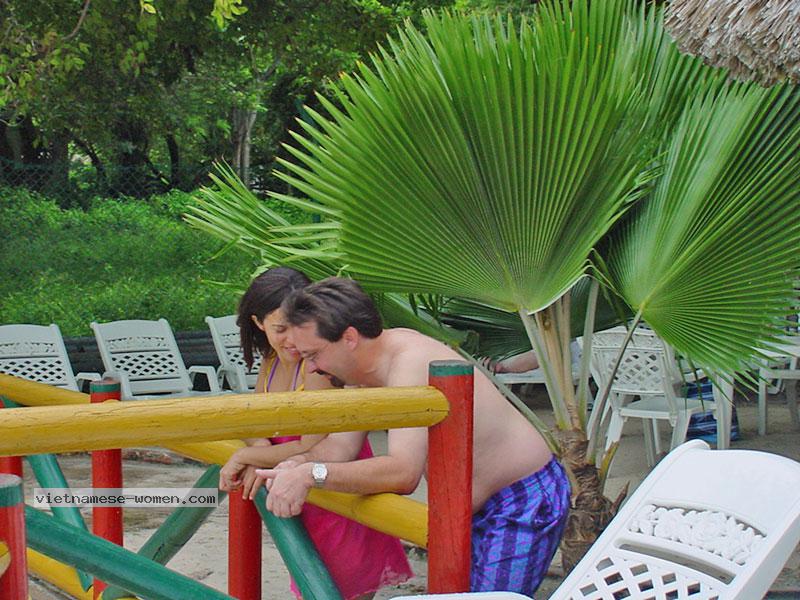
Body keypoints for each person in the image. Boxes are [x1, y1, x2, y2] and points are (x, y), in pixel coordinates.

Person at [256, 277, 570, 596]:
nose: (311, 368)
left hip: (521, 498)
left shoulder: (409, 363)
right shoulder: (362, 369)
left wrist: (312, 475)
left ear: (349, 337)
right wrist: (298, 464)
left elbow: (403, 472)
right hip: (466, 510)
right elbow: (340, 445)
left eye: (313, 355)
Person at [219, 267, 412, 600]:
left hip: (334, 494)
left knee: (333, 588)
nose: (291, 341)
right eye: (280, 329)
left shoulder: (317, 367)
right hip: (298, 490)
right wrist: (257, 450)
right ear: (258, 323)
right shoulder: (272, 360)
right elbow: (255, 421)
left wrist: (249, 455)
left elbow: (309, 445)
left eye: (298, 328)